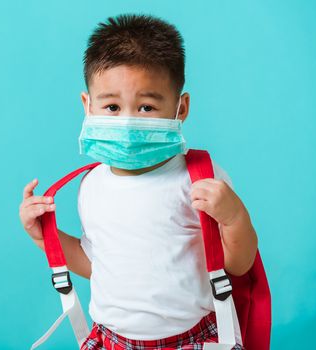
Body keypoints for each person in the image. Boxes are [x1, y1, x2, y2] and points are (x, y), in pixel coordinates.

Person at [19, 14, 257, 349]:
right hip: (113, 340)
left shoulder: (198, 179)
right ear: (88, 105)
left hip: (191, 339)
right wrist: (44, 235)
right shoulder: (91, 186)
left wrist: (233, 217)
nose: (128, 123)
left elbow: (238, 263)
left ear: (181, 107)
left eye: (146, 107)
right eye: (112, 106)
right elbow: (95, 264)